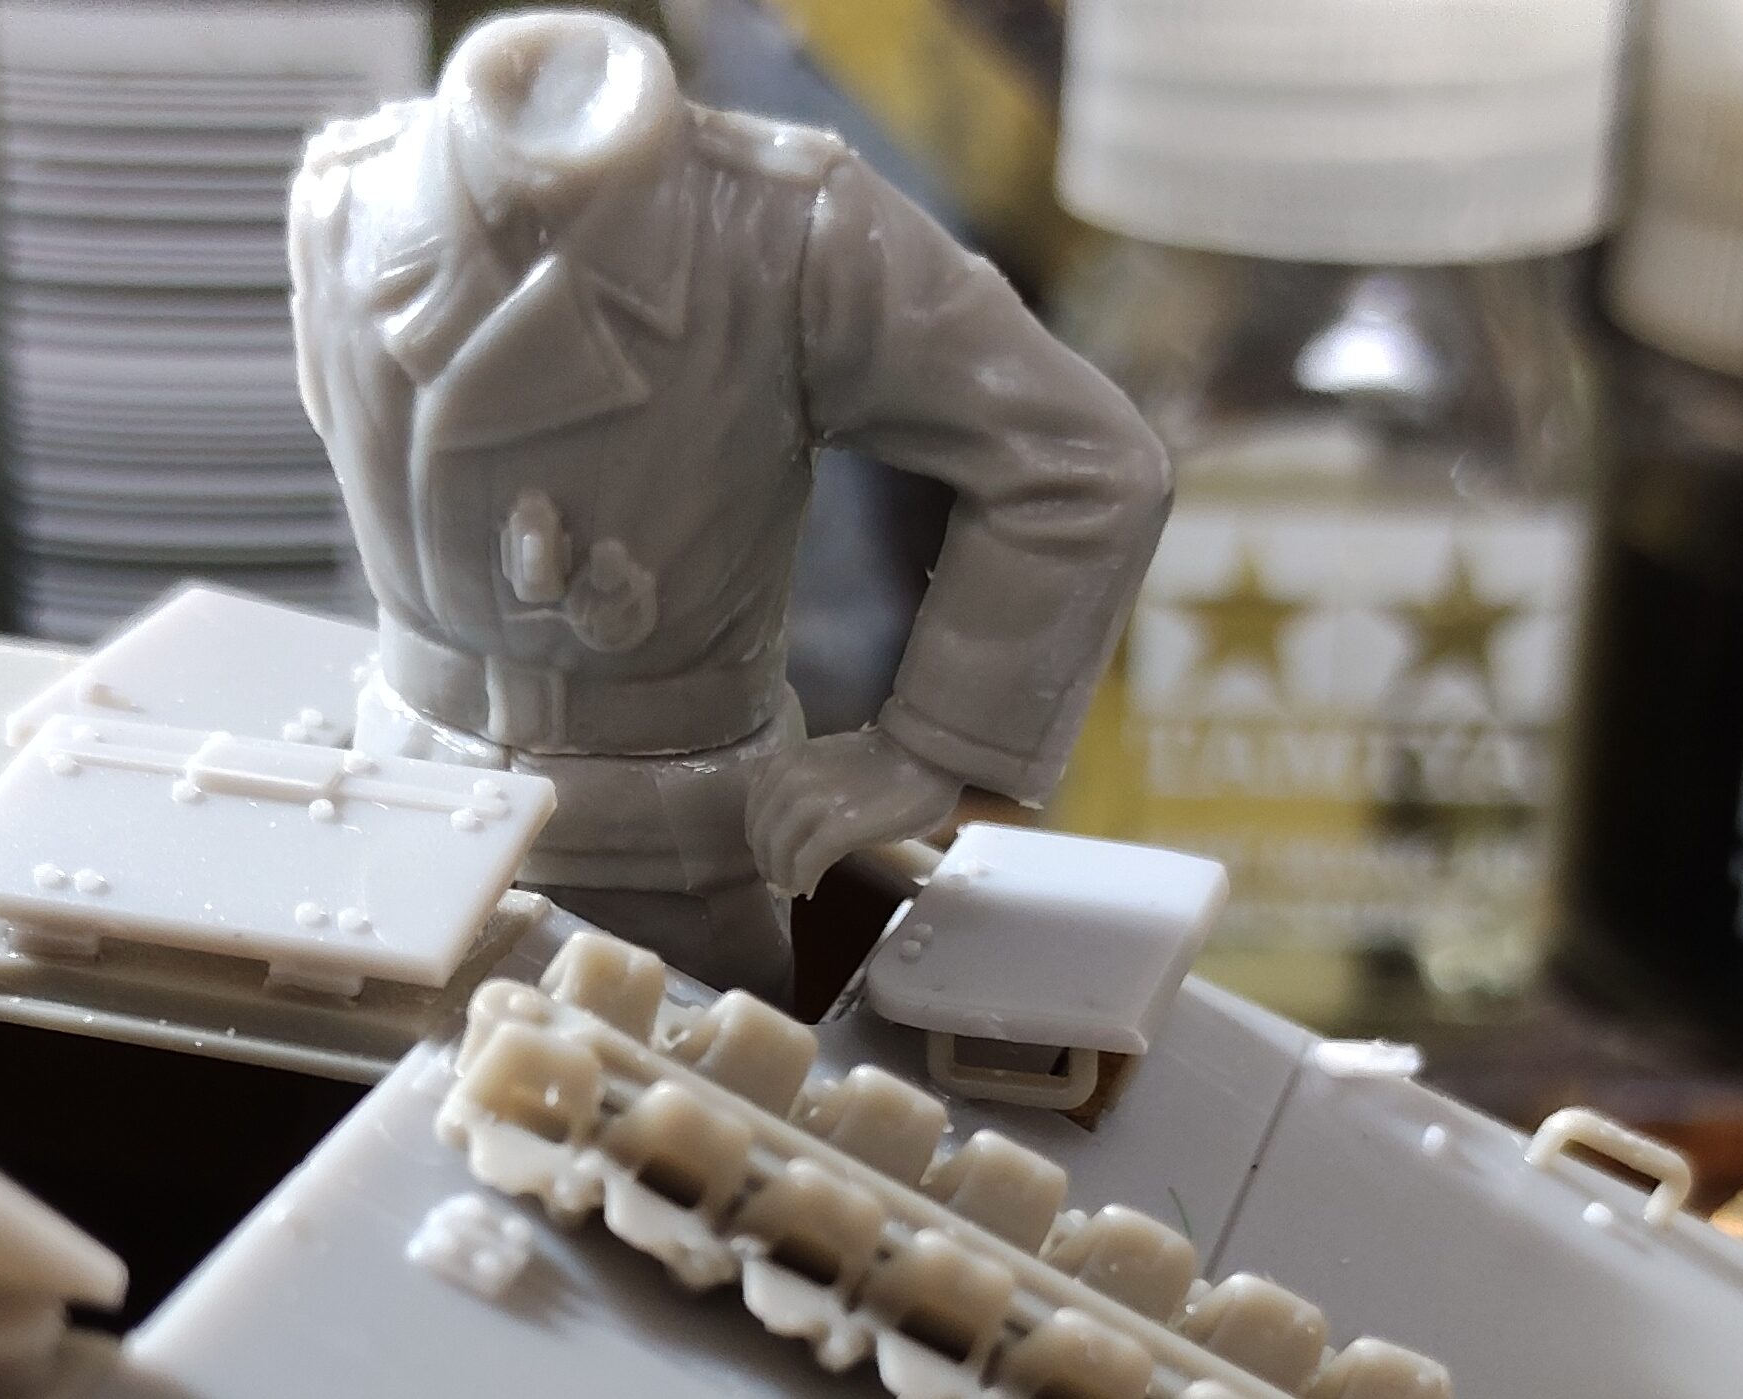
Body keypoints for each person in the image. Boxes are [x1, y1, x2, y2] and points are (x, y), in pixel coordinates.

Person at [288, 10, 1169, 998]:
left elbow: (1081, 461)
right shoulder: (342, 197)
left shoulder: (793, 231)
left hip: (659, 850)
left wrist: (930, 748)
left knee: (675, 1083)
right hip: (405, 802)